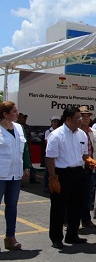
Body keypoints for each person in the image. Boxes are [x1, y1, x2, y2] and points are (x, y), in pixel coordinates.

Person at [46, 106, 96, 248]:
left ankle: (72, 235)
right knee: (59, 207)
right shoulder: (56, 135)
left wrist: (89, 161)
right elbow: (50, 158)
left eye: (81, 117)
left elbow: (84, 154)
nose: (81, 120)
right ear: (68, 119)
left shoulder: (81, 134)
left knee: (77, 205)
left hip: (79, 173)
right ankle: (56, 238)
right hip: (62, 174)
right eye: (78, 117)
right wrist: (53, 178)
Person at [0, 101, 29, 251]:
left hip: (15, 175)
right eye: (14, 111)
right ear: (5, 114)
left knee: (12, 207)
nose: (17, 114)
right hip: (0, 175)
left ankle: (10, 238)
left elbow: (24, 149)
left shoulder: (18, 128)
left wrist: (26, 167)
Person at [79, 106, 96, 229]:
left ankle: (86, 219)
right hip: (78, 167)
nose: (86, 119)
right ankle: (70, 220)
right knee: (75, 195)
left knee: (88, 195)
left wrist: (95, 161)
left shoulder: (94, 133)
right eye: (83, 116)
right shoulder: (75, 132)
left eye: (87, 116)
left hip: (90, 167)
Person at [17, 113, 38, 184]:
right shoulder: (15, 127)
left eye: (23, 118)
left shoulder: (26, 127)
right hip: (18, 150)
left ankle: (32, 177)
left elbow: (28, 138)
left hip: (26, 148)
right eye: (20, 118)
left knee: (28, 163)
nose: (22, 119)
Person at [43, 116, 61, 193]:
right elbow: (47, 143)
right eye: (54, 121)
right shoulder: (48, 132)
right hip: (50, 154)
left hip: (58, 154)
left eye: (57, 121)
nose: (56, 123)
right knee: (48, 171)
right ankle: (47, 186)